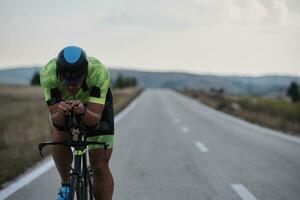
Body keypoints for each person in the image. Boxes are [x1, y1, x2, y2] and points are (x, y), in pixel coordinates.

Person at [40, 46, 114, 200]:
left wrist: (83, 112)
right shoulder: (48, 73)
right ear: (58, 75)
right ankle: (66, 185)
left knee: (99, 164)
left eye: (76, 81)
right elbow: (58, 122)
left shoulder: (98, 72)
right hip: (63, 105)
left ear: (85, 74)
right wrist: (61, 113)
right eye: (66, 82)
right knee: (58, 136)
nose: (71, 86)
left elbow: (94, 121)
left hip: (94, 106)